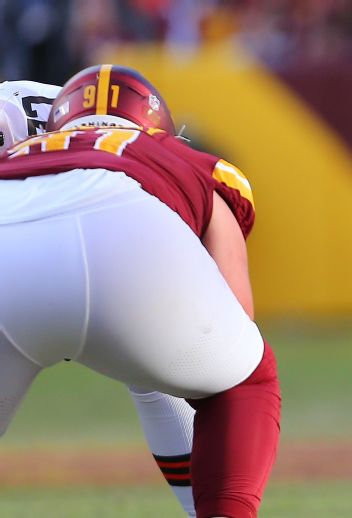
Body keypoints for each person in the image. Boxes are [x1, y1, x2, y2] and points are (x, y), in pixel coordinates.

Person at [0, 64, 279, 518]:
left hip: (8, 236)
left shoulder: (20, 151)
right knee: (246, 378)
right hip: (129, 226)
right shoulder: (175, 155)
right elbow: (234, 314)